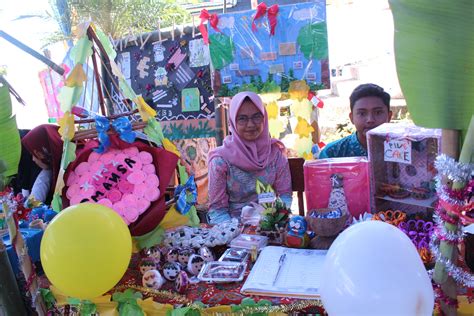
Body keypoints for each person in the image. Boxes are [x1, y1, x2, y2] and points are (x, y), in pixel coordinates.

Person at [207, 91, 292, 224]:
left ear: (264, 118)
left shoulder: (275, 154)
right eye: (242, 118)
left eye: (256, 117)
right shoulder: (220, 161)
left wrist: (275, 223)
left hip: (269, 226)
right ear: (233, 122)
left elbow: (285, 196)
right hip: (233, 229)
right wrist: (239, 235)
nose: (251, 124)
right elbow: (217, 210)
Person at [319, 83, 392, 158]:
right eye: (362, 113)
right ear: (352, 118)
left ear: (389, 116)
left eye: (378, 112)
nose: (370, 120)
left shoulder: (401, 149)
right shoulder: (332, 153)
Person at [21, 124, 63, 205]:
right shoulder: (52, 168)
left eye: (34, 154)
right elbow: (33, 202)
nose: (33, 159)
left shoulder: (74, 167)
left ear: (44, 151)